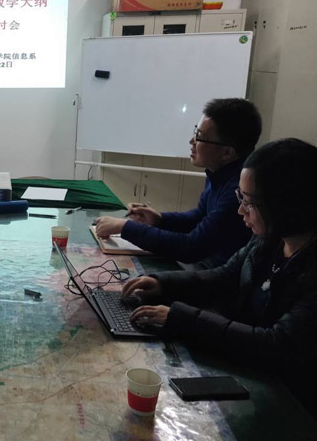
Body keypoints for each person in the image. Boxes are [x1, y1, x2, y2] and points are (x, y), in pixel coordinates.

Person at [124, 138, 317, 415]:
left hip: (293, 405)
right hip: (250, 376)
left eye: (249, 202)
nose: (240, 210)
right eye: (241, 198)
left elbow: (275, 346)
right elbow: (224, 277)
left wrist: (181, 318)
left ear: (287, 205)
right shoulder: (270, 239)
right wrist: (162, 283)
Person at [95, 98, 262, 266]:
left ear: (227, 153)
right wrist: (159, 219)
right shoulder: (219, 173)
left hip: (219, 275)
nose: (192, 141)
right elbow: (198, 218)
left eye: (200, 137)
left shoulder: (238, 191)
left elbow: (191, 247)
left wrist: (125, 228)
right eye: (196, 131)